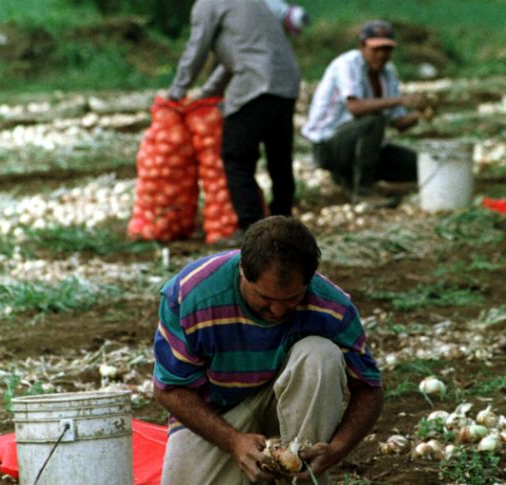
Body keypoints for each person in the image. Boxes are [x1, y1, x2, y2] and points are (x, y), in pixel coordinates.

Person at [153, 215, 384, 485]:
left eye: (291, 299)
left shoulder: (331, 306)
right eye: (264, 298)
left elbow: (369, 388)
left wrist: (336, 450)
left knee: (320, 355)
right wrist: (233, 441)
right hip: (219, 416)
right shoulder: (191, 295)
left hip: (287, 406)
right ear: (242, 271)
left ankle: (300, 474)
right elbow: (169, 389)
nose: (277, 310)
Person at [167, 0, 302, 239]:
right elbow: (237, 57)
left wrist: (176, 94)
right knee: (279, 157)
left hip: (258, 84)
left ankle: (251, 229)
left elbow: (197, 48)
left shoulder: (208, 4)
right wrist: (205, 95)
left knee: (236, 157)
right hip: (286, 80)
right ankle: (285, 226)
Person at [301, 20, 428, 203]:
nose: (382, 55)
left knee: (419, 166)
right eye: (376, 49)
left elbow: (398, 123)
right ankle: (363, 191)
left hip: (363, 145)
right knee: (373, 122)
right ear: (362, 46)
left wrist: (420, 113)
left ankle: (350, 177)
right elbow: (355, 108)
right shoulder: (347, 64)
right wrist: (400, 100)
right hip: (329, 145)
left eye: (387, 50)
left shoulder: (388, 72)